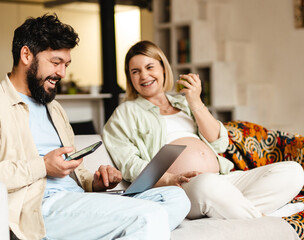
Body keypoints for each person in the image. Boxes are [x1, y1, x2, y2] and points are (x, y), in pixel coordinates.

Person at [0, 15, 191, 240]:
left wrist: (95, 182)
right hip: (39, 207)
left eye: (66, 64)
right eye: (55, 62)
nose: (62, 73)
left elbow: (71, 171)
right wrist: (43, 166)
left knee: (176, 198)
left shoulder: (54, 107)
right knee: (150, 215)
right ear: (26, 54)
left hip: (75, 198)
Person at [103, 40, 304, 220]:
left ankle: (238, 212)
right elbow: (129, 164)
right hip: (182, 188)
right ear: (129, 78)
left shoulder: (184, 103)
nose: (144, 75)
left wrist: (196, 101)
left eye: (149, 67)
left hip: (223, 179)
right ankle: (268, 218)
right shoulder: (124, 113)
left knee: (292, 171)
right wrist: (168, 178)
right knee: (207, 184)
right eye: (135, 71)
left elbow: (219, 142)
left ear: (163, 68)